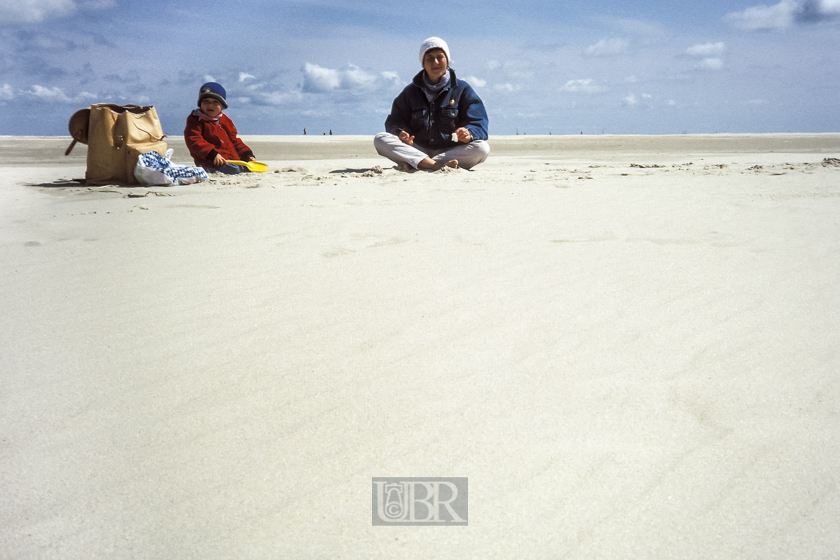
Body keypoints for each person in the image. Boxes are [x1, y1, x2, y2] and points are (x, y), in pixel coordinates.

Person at [374, 37, 490, 171]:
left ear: (447, 61)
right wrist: (401, 133)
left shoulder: (462, 89)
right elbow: (394, 121)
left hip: (450, 151)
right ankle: (435, 166)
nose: (435, 62)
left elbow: (479, 123)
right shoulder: (410, 92)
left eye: (440, 57)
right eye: (429, 58)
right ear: (423, 63)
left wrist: (469, 133)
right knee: (380, 139)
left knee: (482, 148)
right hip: (418, 149)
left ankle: (417, 163)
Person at [184, 82, 256, 174]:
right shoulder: (196, 119)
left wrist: (246, 154)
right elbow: (194, 139)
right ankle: (208, 170)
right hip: (211, 161)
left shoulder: (225, 120)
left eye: (215, 102)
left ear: (222, 106)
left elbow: (234, 140)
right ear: (200, 103)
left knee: (246, 166)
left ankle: (243, 164)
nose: (210, 105)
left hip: (231, 159)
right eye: (206, 101)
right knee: (234, 169)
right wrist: (212, 154)